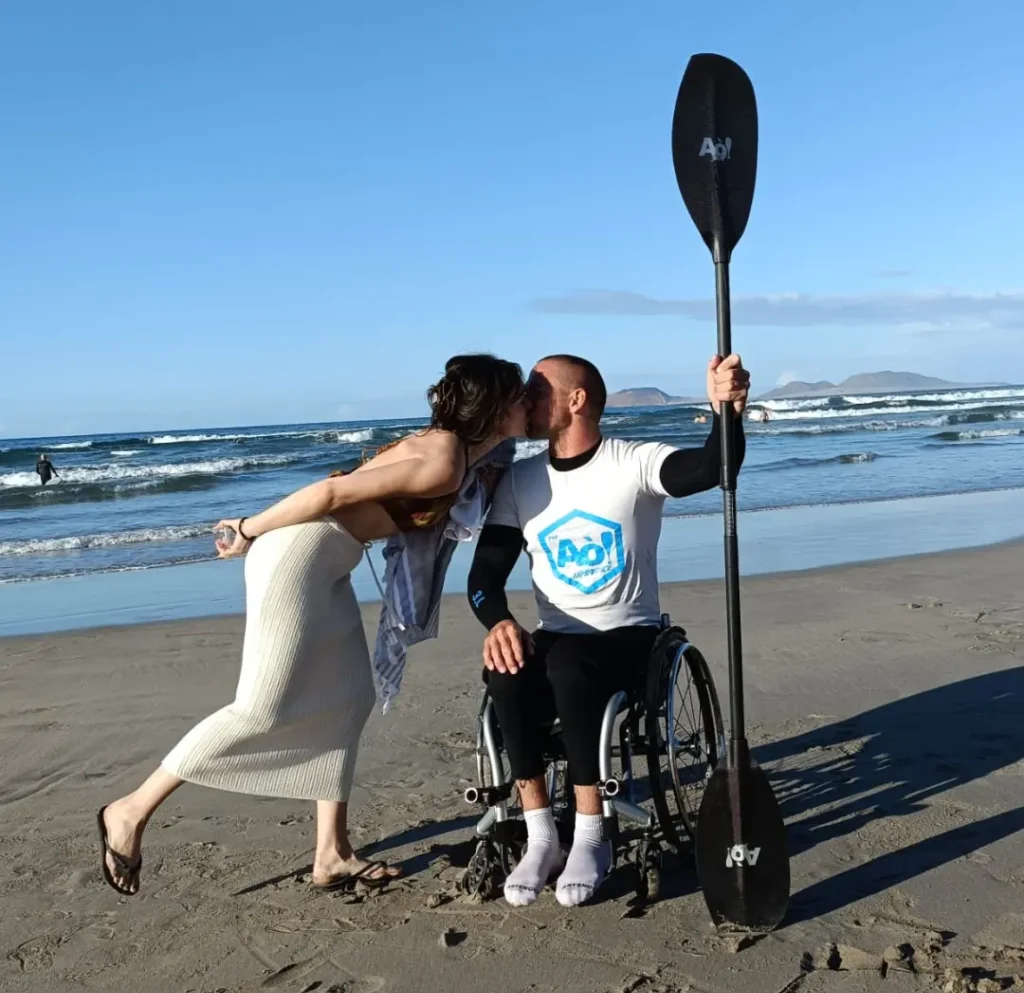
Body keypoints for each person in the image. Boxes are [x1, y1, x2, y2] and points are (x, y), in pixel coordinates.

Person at [97, 354, 528, 897]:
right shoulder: (445, 459)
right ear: (494, 408)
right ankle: (130, 810)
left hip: (329, 560)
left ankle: (332, 852)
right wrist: (247, 528)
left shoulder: (463, 452)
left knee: (350, 697)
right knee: (258, 707)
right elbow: (331, 494)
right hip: (297, 556)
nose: (528, 404)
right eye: (519, 397)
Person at [466, 352, 750, 908]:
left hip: (630, 634)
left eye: (537, 388)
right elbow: (484, 575)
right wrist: (497, 621)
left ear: (576, 400)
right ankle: (542, 835)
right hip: (557, 633)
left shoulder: (632, 462)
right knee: (508, 668)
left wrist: (726, 411)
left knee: (569, 665)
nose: (524, 398)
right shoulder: (521, 480)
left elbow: (712, 468)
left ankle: (591, 834)